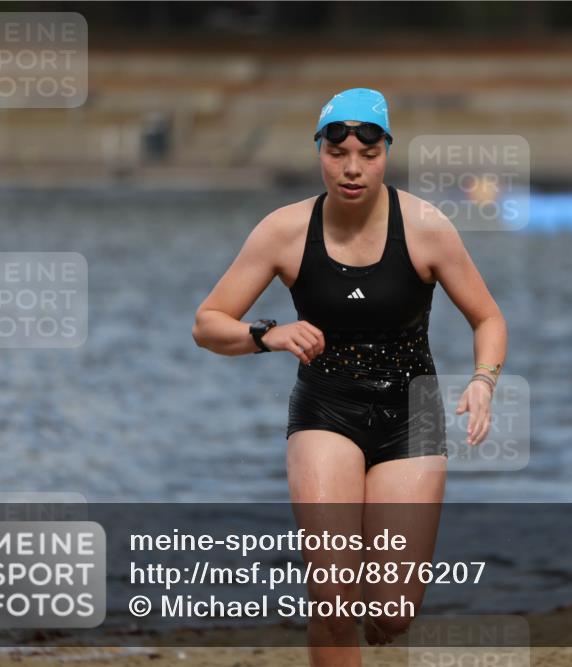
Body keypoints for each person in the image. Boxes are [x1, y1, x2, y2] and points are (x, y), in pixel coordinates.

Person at [192, 87, 507, 665]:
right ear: (320, 151)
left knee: (392, 612)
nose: (353, 169)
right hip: (325, 410)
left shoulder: (427, 227)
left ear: (387, 151)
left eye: (368, 153)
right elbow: (208, 325)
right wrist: (268, 334)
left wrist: (484, 380)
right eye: (338, 154)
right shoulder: (284, 232)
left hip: (412, 415)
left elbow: (487, 318)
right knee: (332, 600)